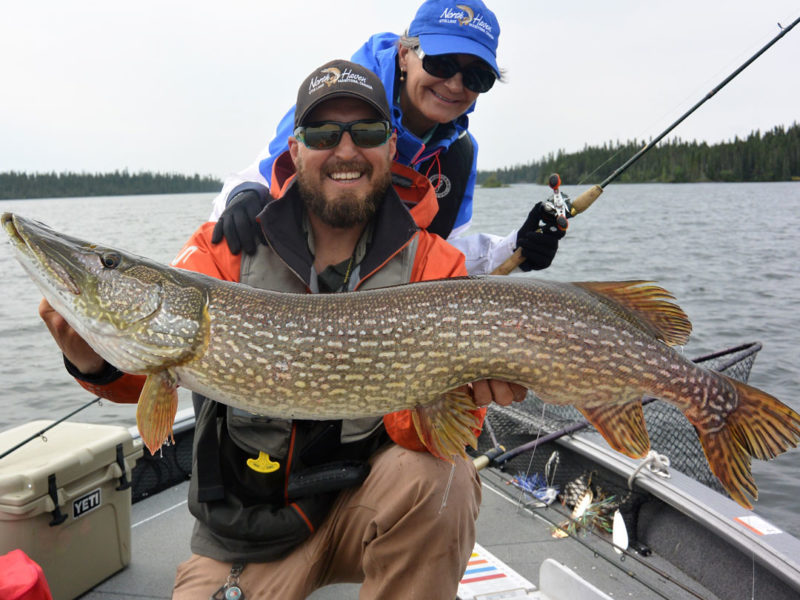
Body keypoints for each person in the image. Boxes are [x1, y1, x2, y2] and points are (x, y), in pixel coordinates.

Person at [39, 59, 526, 599]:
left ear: (391, 148)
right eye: (322, 133)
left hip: (359, 508)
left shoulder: (433, 265)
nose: (345, 150)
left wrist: (458, 391)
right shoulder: (225, 245)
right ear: (294, 150)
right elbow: (141, 374)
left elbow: (428, 436)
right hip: (246, 536)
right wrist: (92, 359)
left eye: (366, 133)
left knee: (444, 481)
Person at [209, 0, 564, 275]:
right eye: (440, 64)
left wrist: (515, 248)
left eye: (476, 78)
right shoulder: (339, 100)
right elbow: (263, 175)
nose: (455, 85)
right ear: (405, 54)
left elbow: (437, 258)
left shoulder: (459, 152)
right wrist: (243, 196)